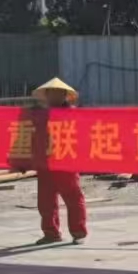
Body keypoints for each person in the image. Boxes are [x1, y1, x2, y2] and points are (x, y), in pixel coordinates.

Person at [31, 78, 89, 246]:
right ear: (46, 95)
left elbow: (83, 136)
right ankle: (51, 233)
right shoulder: (40, 115)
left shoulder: (73, 114)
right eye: (51, 93)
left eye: (57, 93)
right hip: (45, 162)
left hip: (66, 161)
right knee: (45, 201)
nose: (54, 96)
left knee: (73, 197)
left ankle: (78, 232)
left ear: (64, 95)